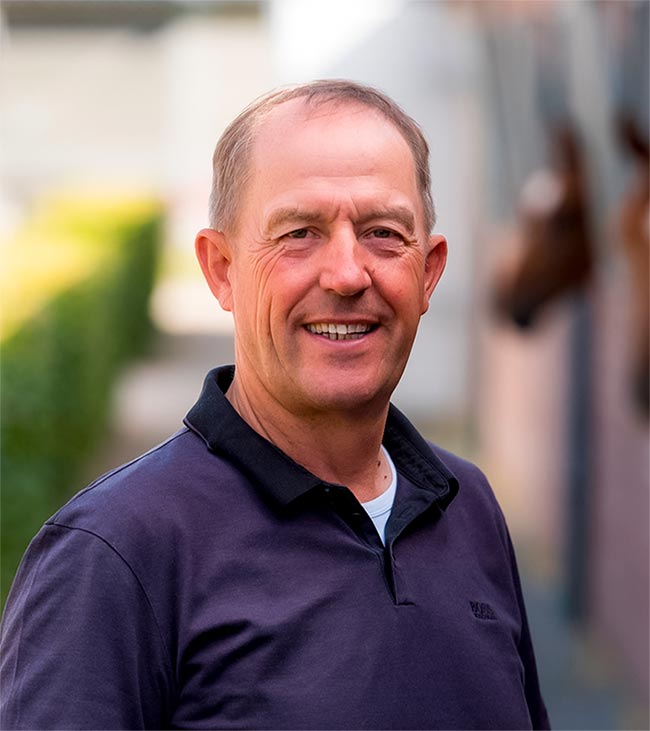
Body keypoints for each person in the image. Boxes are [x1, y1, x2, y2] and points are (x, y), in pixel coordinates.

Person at [0, 80, 550, 730]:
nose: (346, 274)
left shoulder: (470, 507)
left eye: (382, 232)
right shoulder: (114, 554)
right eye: (299, 232)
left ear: (428, 272)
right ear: (221, 269)